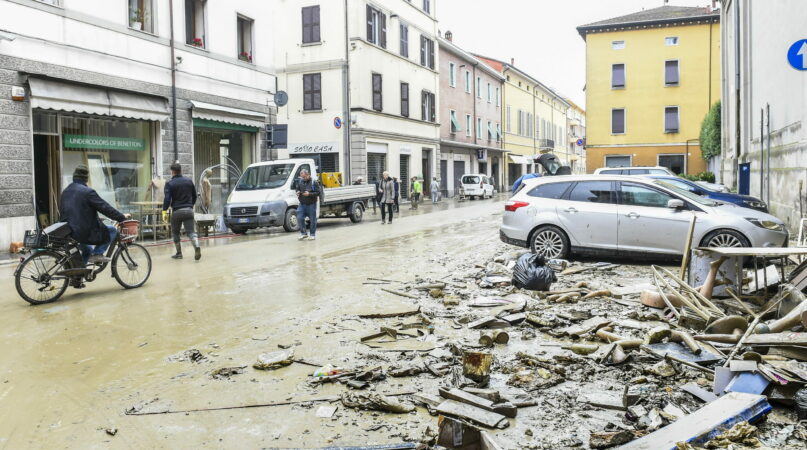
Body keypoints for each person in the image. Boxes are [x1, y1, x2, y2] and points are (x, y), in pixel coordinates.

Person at [59, 164, 130, 265]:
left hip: (68, 230)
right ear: (86, 179)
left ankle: (79, 274)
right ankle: (97, 253)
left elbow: (76, 211)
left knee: (87, 249)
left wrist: (94, 218)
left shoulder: (66, 191)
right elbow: (105, 207)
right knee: (112, 230)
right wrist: (121, 217)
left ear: (74, 177)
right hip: (81, 231)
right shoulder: (87, 192)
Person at [163, 162, 201, 260]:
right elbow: (194, 196)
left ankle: (179, 253)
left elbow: (167, 199)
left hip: (177, 212)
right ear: (181, 171)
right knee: (191, 232)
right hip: (188, 210)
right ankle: (196, 245)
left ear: (172, 172)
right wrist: (190, 206)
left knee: (175, 232)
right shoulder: (189, 181)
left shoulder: (170, 183)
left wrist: (164, 211)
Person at [292, 169, 320, 240]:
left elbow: (318, 192)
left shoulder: (314, 182)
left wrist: (309, 194)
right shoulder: (300, 181)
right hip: (302, 204)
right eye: (302, 177)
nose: (303, 178)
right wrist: (297, 191)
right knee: (299, 217)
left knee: (312, 219)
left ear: (308, 175)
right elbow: (297, 188)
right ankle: (303, 233)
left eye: (304, 177)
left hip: (311, 204)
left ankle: (312, 234)